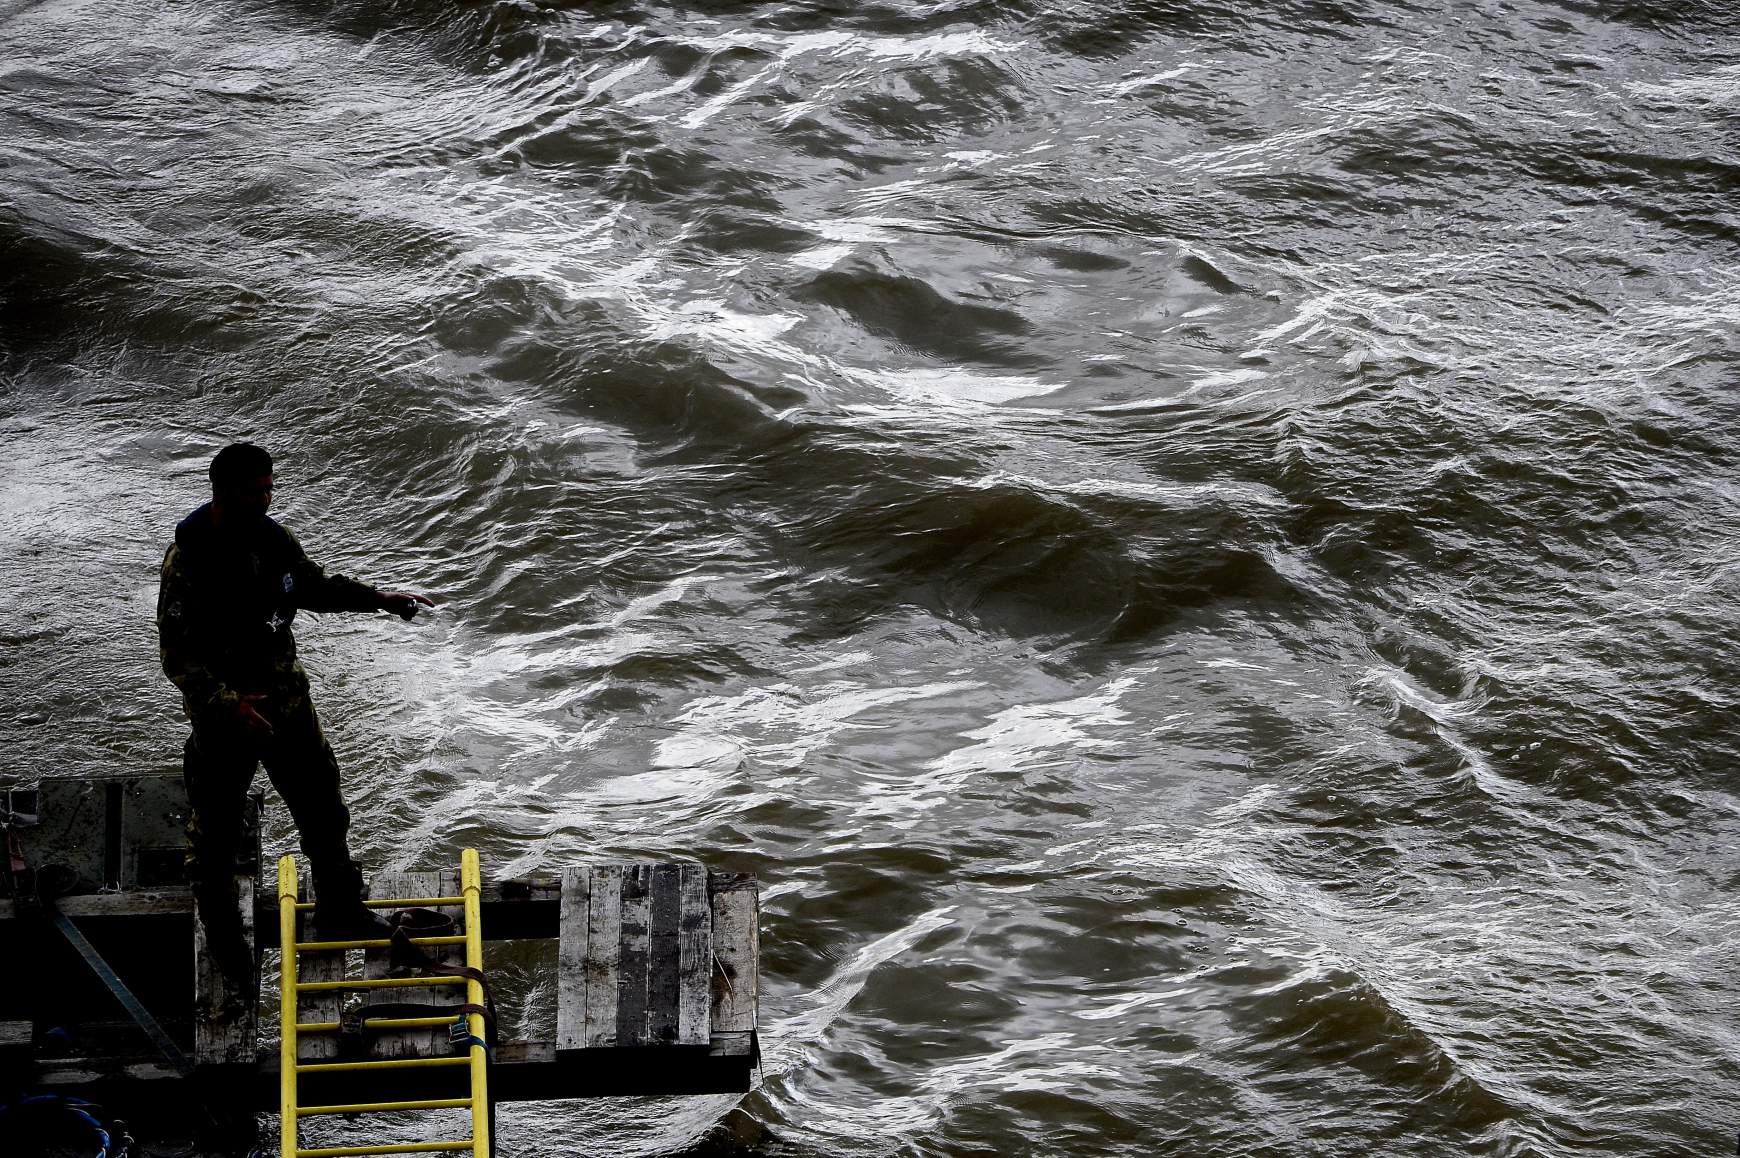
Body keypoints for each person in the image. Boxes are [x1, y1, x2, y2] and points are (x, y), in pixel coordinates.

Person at [156, 442, 433, 989]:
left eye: (269, 488)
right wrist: (227, 705)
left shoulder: (272, 538)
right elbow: (176, 652)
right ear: (223, 490)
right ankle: (225, 940)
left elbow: (309, 587)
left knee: (323, 807)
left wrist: (379, 598)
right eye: (255, 490)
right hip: (226, 719)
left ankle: (339, 908)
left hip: (286, 703)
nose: (266, 497)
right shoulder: (189, 557)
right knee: (216, 833)